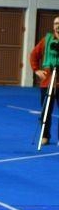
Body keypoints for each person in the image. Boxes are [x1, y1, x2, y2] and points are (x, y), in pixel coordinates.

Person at [29, 16, 59, 146]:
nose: (58, 26)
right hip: (47, 81)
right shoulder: (46, 40)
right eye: (56, 23)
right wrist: (36, 70)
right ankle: (45, 136)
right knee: (46, 112)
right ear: (53, 26)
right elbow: (34, 55)